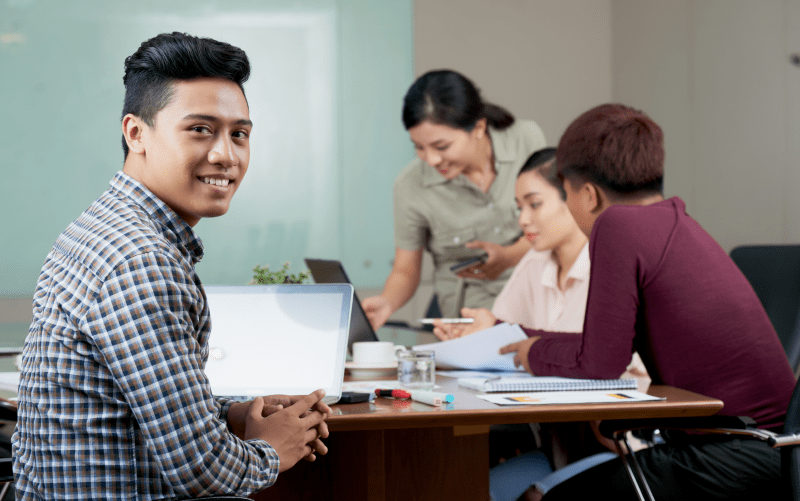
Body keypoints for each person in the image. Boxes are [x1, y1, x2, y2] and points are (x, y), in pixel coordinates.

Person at [12, 32, 330, 500]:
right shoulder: (141, 261)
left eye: (239, 133)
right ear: (135, 133)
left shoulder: (101, 226)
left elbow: (126, 406)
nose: (226, 154)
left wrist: (233, 415)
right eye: (200, 129)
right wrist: (274, 448)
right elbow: (203, 471)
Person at [442, 103, 796, 500]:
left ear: (588, 195)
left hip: (738, 450)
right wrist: (512, 335)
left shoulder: (617, 224)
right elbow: (605, 346)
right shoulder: (671, 219)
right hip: (769, 447)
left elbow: (600, 363)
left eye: (568, 193)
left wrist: (534, 351)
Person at [362, 70, 546, 328]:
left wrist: (510, 255)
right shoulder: (410, 185)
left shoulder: (527, 138)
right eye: (419, 147)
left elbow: (560, 224)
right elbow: (405, 270)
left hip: (538, 307)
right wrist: (387, 302)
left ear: (479, 128)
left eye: (441, 146)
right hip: (468, 321)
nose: (432, 159)